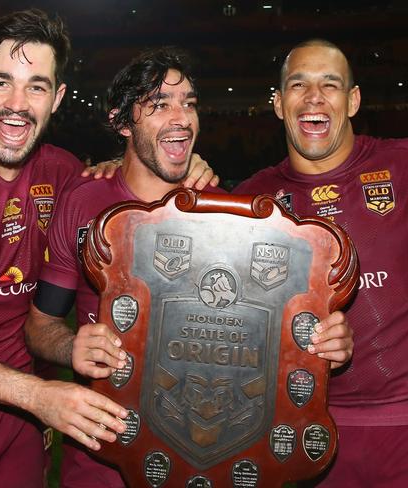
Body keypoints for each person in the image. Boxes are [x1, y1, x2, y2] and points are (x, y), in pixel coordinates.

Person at [24, 47, 354, 488]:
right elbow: (40, 326)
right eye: (160, 104)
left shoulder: (227, 213)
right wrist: (73, 350)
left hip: (207, 462)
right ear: (122, 123)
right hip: (100, 457)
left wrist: (327, 340)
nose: (182, 117)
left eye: (189, 103)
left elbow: (275, 335)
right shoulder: (82, 201)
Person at [0, 9, 216, 487]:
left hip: (20, 425)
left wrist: (167, 159)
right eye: (1, 83)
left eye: (35, 86)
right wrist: (37, 395)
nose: (17, 104)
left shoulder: (65, 174)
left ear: (55, 99)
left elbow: (126, 181)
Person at [233, 39, 408, 487]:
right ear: (277, 103)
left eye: (330, 84)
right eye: (297, 85)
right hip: (311, 428)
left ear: (353, 100)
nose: (313, 98)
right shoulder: (250, 201)